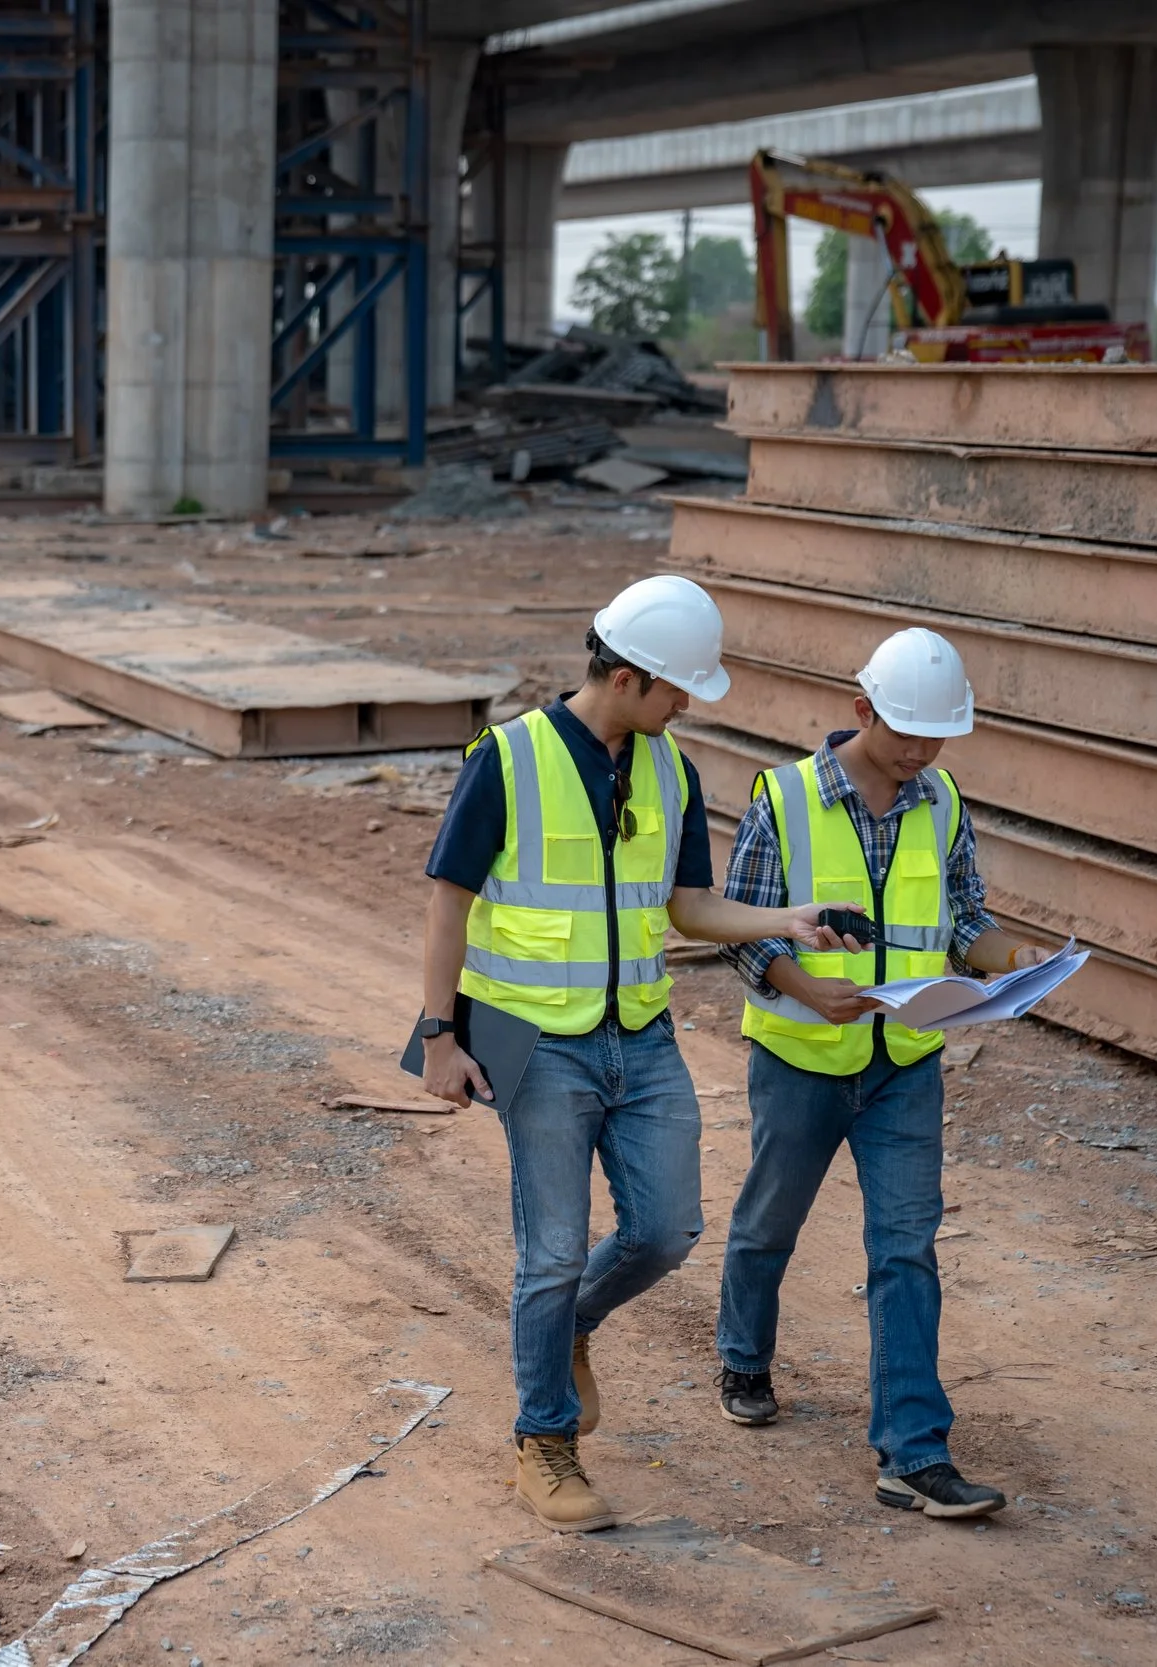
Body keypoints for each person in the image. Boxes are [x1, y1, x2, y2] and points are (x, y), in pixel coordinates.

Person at [418, 574, 857, 1533]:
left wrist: (792, 917)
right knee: (549, 1250)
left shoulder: (668, 767)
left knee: (667, 1230)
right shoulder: (510, 758)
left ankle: (572, 1324)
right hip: (530, 1041)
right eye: (676, 690)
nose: (687, 706)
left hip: (641, 1036)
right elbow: (447, 899)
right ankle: (545, 1440)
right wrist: (438, 1036)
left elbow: (687, 906)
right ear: (625, 678)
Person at [714, 627, 1051, 1520]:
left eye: (937, 736)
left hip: (905, 1060)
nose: (921, 751)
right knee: (768, 1225)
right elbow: (744, 928)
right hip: (801, 1058)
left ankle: (914, 1453)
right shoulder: (783, 798)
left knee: (905, 1248)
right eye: (907, 732)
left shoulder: (940, 799)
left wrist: (1010, 958)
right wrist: (802, 985)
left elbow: (962, 915)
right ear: (861, 709)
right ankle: (744, 1353)